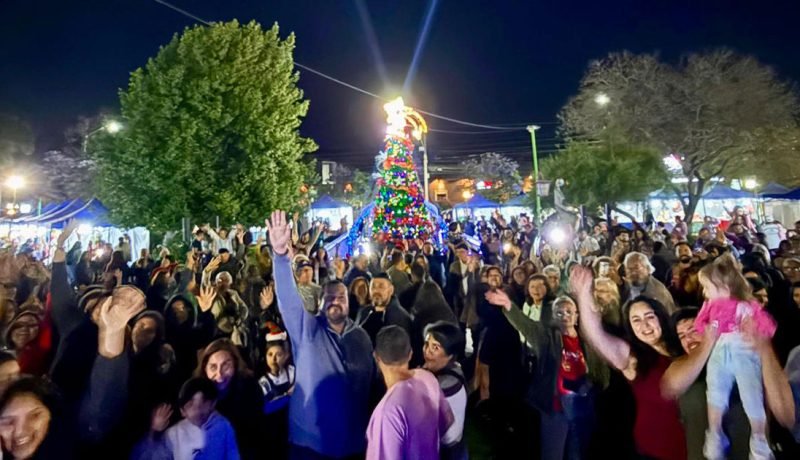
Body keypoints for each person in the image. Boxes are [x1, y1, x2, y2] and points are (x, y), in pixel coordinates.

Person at [269, 210, 375, 459]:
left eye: (341, 297)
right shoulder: (307, 330)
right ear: (320, 302)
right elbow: (288, 299)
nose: (335, 301)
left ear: (350, 302)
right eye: (329, 297)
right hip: (309, 444)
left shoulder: (360, 336)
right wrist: (280, 256)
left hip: (353, 442)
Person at [571, 266, 687, 460]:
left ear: (661, 316)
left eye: (650, 317)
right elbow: (596, 336)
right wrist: (583, 294)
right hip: (654, 450)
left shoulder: (682, 348)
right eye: (636, 320)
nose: (645, 326)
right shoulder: (633, 358)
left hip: (694, 444)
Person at [488, 290, 605, 460]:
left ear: (577, 315)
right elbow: (526, 325)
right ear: (553, 316)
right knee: (553, 453)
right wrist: (508, 305)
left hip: (582, 407)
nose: (565, 315)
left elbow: (599, 370)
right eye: (559, 312)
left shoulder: (587, 339)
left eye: (569, 312)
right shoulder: (546, 337)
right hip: (556, 407)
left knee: (578, 452)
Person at [694, 255, 776, 459]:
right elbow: (699, 324)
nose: (704, 292)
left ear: (724, 287)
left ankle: (759, 438)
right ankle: (715, 431)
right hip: (720, 350)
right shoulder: (709, 306)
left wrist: (755, 331)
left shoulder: (747, 305)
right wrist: (707, 331)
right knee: (715, 390)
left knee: (752, 395)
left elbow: (768, 326)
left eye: (707, 287)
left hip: (744, 351)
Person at [366, 326, 454, 460]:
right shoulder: (428, 378)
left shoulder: (387, 412)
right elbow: (446, 421)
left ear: (377, 358)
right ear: (410, 353)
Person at [133, 377, 240, 460]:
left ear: (213, 403)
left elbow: (232, 454)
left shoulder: (223, 426)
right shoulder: (174, 434)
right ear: (182, 411)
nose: (198, 409)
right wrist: (154, 431)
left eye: (204, 402)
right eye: (190, 404)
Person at [194, 339, 264, 460]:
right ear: (204, 369)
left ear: (236, 365)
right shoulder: (196, 394)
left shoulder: (250, 390)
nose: (219, 374)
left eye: (226, 365)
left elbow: (256, 436)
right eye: (213, 367)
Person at [421, 321, 468, 460]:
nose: (427, 351)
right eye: (426, 344)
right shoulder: (438, 369)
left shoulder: (447, 384)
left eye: (435, 347)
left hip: (448, 452)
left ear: (450, 355)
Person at [356, 273, 413, 347]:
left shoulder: (400, 317)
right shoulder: (364, 312)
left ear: (391, 290)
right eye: (373, 287)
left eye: (381, 287)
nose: (376, 291)